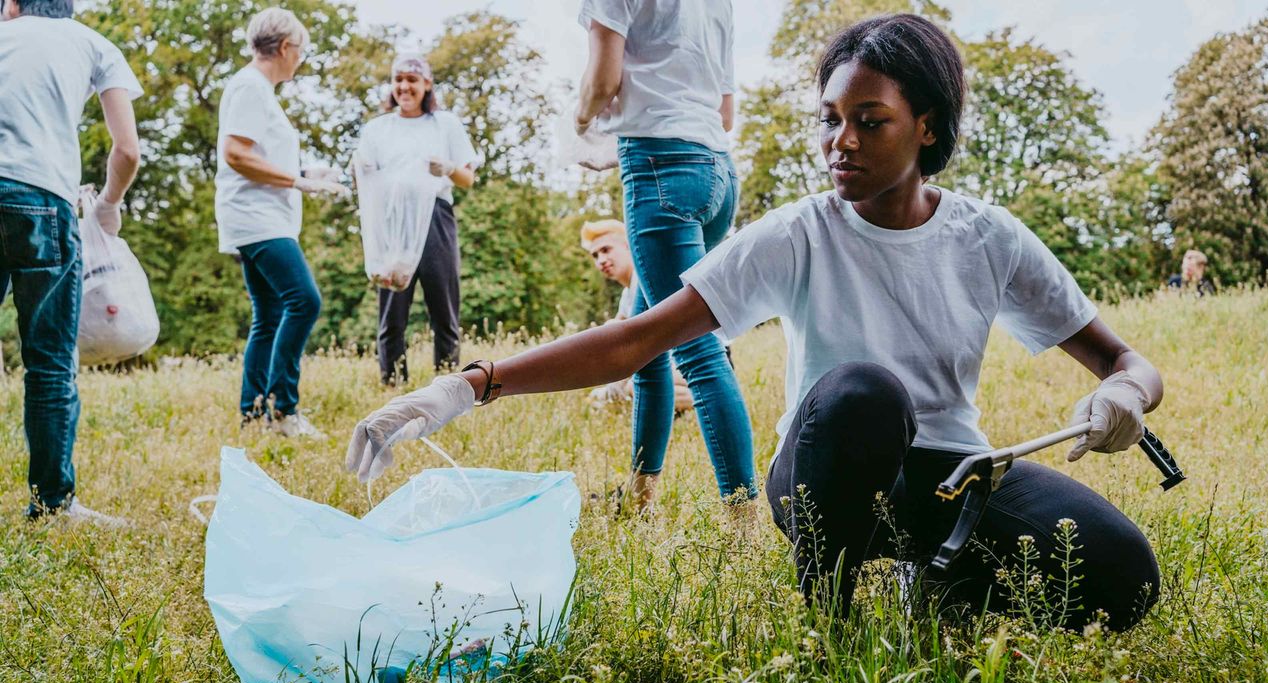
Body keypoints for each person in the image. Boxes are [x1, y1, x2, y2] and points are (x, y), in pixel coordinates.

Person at [348, 14, 1166, 632]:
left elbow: (1130, 363)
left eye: (868, 120)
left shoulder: (988, 237)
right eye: (828, 118)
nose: (837, 142)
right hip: (824, 473)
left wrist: (1125, 392)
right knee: (860, 394)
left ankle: (941, 582)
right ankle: (834, 614)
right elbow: (639, 338)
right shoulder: (800, 231)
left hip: (950, 477)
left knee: (1127, 579)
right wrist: (468, 386)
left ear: (928, 127)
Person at [570, 0, 755, 507]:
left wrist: (580, 120)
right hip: (717, 171)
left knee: (696, 350)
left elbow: (602, 81)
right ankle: (639, 494)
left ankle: (744, 524)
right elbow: (726, 112)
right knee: (647, 345)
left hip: (659, 166)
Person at [0, 0, 141, 524]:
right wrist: (106, 206)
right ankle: (52, 504)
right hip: (42, 198)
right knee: (50, 363)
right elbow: (126, 150)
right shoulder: (93, 44)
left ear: (14, 5)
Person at [215, 7, 349, 438]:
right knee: (304, 301)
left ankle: (253, 413)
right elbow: (236, 154)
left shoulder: (256, 89)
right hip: (258, 221)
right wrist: (297, 182)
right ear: (287, 47)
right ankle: (282, 410)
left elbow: (259, 154)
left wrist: (309, 175)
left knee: (269, 314)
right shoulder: (252, 87)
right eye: (302, 50)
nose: (302, 59)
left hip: (260, 218)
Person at [353, 54, 480, 384]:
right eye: (398, 79)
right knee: (392, 312)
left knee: (444, 308)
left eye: (412, 79)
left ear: (426, 84)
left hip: (435, 217)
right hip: (393, 223)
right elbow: (363, 179)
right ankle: (393, 386)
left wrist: (450, 169)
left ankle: (449, 386)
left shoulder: (445, 124)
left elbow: (468, 178)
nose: (404, 86)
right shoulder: (378, 129)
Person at [580, 219, 693, 413]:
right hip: (670, 363)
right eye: (595, 255)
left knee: (636, 386)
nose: (601, 260)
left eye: (606, 250)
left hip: (697, 360)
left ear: (627, 247)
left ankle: (709, 398)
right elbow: (616, 337)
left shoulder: (647, 280)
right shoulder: (628, 293)